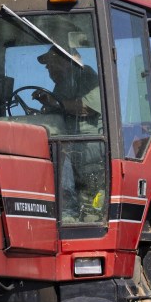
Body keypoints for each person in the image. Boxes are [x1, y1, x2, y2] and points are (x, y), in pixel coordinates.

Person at [32, 46, 105, 223]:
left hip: (89, 142)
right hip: (69, 141)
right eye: (47, 65)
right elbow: (58, 111)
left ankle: (75, 213)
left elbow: (86, 108)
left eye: (51, 63)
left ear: (65, 62)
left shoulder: (85, 74)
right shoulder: (62, 84)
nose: (48, 68)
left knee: (62, 156)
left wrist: (54, 103)